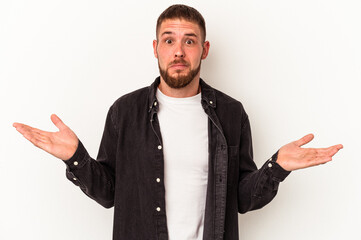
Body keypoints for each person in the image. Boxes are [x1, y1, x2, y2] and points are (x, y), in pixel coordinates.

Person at [13, 4, 343, 240]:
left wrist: (277, 167)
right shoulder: (124, 112)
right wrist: (76, 157)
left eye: (189, 41)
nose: (179, 51)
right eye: (169, 40)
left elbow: (241, 199)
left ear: (204, 49)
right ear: (156, 48)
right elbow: (108, 193)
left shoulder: (231, 114)